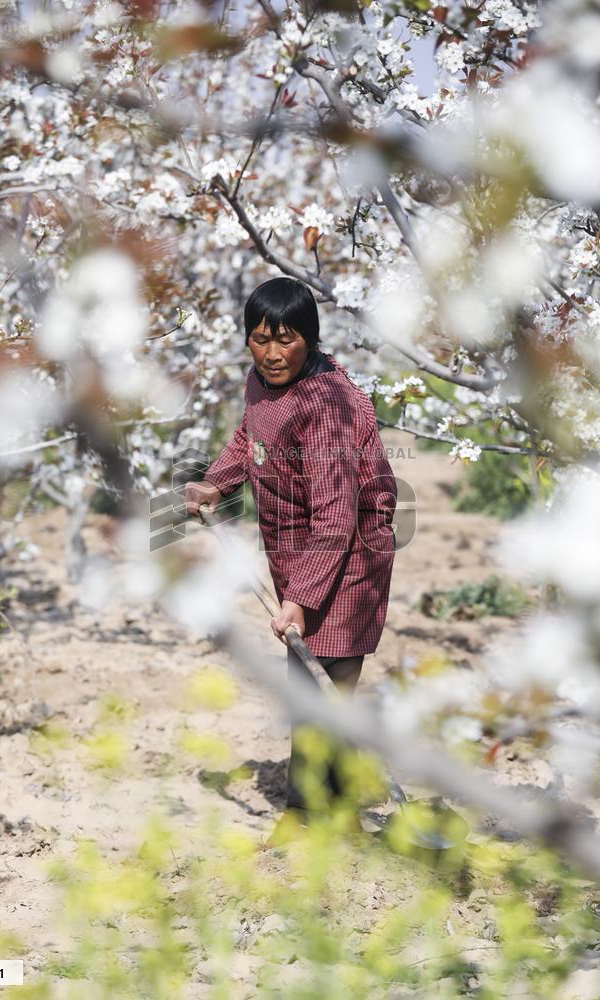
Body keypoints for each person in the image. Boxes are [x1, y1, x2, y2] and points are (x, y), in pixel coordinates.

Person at [184, 276, 397, 842]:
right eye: (260, 339)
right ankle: (330, 813)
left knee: (324, 687)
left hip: (350, 558)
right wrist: (215, 484)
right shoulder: (262, 383)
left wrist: (299, 601)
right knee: (310, 683)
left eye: (287, 340)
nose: (273, 354)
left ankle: (317, 815)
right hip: (299, 552)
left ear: (311, 338)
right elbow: (249, 437)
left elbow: (336, 518)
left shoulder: (328, 407)